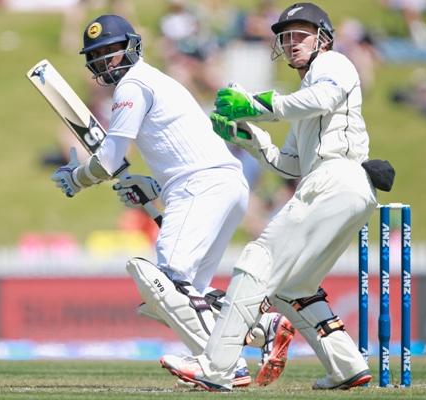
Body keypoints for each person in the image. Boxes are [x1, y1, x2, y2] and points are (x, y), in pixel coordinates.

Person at [50, 14, 294, 388]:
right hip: (219, 182)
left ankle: (224, 367)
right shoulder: (157, 81)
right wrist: (155, 188)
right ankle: (262, 325)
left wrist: (77, 178)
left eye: (110, 52)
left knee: (165, 283)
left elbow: (110, 159)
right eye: (97, 56)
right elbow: (181, 147)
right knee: (180, 296)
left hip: (200, 186)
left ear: (131, 47)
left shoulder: (133, 85)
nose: (104, 62)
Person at [161, 2, 394, 391]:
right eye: (285, 37)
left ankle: (216, 366)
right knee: (292, 289)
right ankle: (346, 367)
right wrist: (250, 139)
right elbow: (290, 165)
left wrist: (256, 104)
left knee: (258, 260)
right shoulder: (305, 89)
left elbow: (320, 100)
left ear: (324, 38)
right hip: (342, 188)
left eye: (300, 34)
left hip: (338, 179)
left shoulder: (333, 64)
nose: (291, 42)